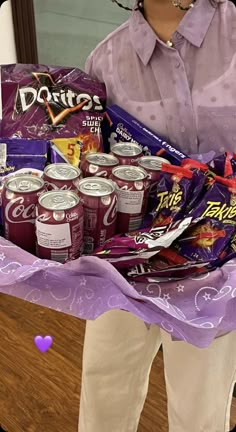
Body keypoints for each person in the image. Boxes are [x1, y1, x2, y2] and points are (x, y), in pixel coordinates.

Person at [78, 0, 236, 431]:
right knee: (106, 382)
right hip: (125, 262)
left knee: (200, 405)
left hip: (213, 269)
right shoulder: (104, 62)